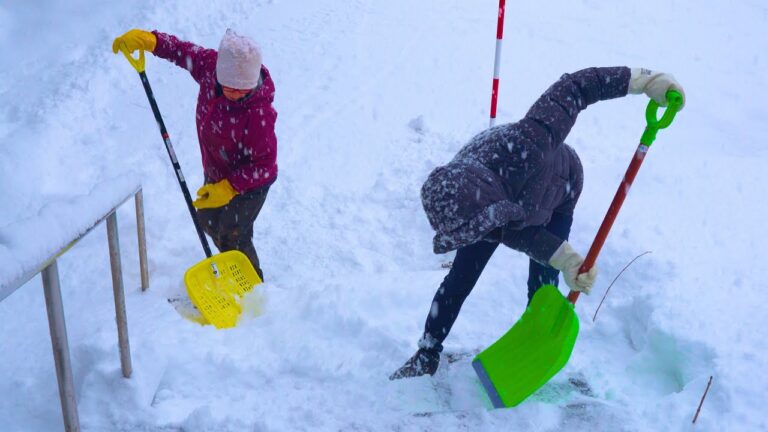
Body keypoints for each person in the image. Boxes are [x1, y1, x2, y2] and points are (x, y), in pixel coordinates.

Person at [390, 66, 685, 379]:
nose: (489, 234)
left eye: (485, 227)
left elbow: (575, 87)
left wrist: (643, 80)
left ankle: (532, 345)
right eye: (477, 230)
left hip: (559, 189)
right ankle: (427, 352)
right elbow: (512, 232)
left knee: (543, 283)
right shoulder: (459, 196)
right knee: (460, 278)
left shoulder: (531, 141)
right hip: (495, 198)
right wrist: (561, 255)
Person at [112, 28, 277, 281]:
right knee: (208, 220)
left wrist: (231, 187)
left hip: (249, 185)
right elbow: (183, 52)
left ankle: (252, 287)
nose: (233, 94)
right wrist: (153, 41)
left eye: (240, 90)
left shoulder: (258, 113)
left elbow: (266, 165)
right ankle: (233, 269)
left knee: (233, 233)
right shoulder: (211, 69)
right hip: (217, 172)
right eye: (229, 87)